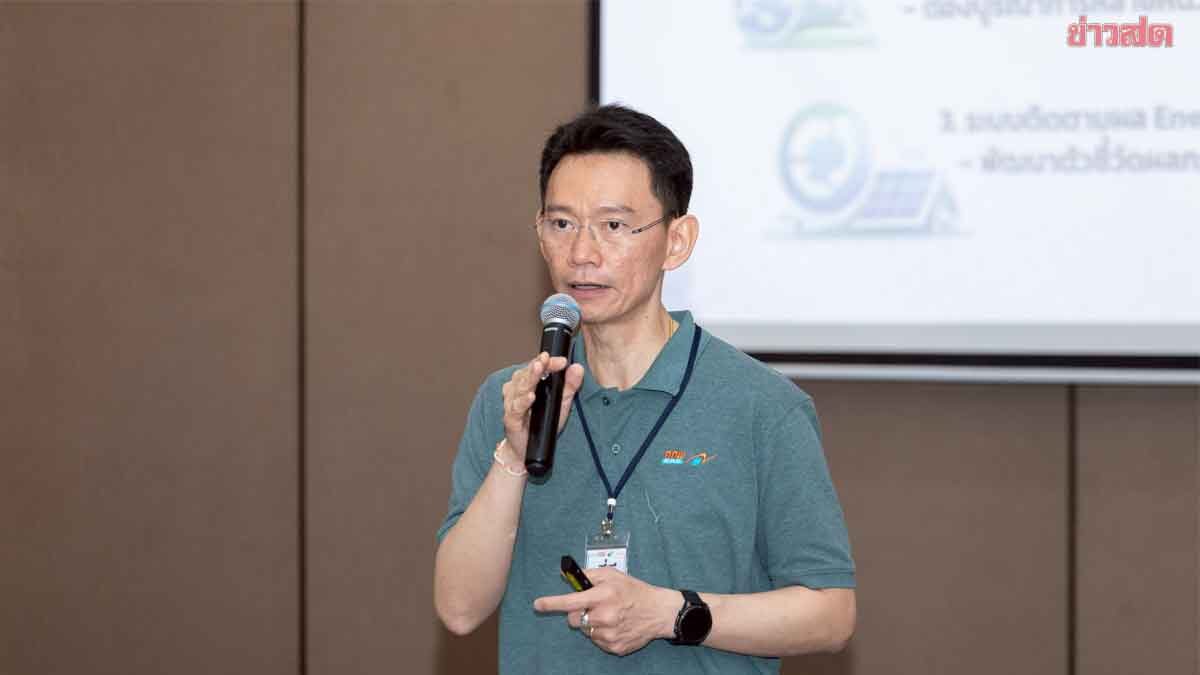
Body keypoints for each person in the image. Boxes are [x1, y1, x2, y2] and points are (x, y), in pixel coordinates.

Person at [434, 104, 855, 674]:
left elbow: (830, 614)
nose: (582, 254)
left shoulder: (762, 407)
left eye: (613, 226)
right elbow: (459, 609)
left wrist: (672, 614)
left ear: (677, 241)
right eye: (561, 224)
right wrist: (513, 454)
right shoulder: (511, 400)